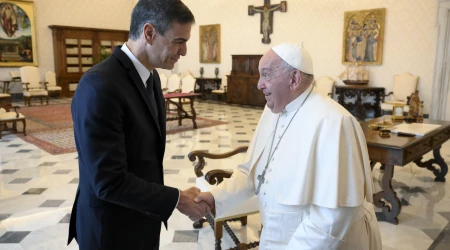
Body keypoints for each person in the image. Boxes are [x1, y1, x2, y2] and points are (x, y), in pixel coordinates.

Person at [195, 43, 382, 249]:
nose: (259, 84)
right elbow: (251, 172)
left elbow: (333, 217)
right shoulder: (272, 111)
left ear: (294, 79)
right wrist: (215, 197)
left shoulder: (335, 123)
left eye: (266, 75)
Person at [67, 1, 210, 249]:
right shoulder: (100, 85)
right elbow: (109, 182)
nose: (184, 51)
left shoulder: (151, 76)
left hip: (141, 218)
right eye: (178, 41)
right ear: (149, 33)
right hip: (110, 229)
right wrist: (177, 199)